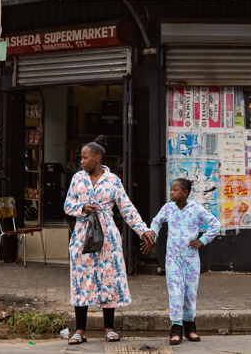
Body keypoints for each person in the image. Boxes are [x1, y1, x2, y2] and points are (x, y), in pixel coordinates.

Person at [64, 138, 155, 345]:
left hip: (107, 237)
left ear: (97, 158)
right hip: (82, 237)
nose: (82, 161)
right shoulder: (77, 179)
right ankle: (80, 330)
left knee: (109, 279)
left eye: (85, 157)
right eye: (81, 158)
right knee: (82, 280)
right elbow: (67, 205)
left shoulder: (113, 180)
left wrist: (143, 230)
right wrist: (82, 208)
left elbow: (126, 208)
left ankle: (109, 328)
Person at [143, 178, 220, 345]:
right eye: (171, 189)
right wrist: (152, 236)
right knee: (176, 293)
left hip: (191, 260)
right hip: (173, 259)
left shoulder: (197, 210)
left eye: (175, 190)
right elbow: (156, 222)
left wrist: (203, 240)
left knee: (190, 293)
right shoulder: (168, 208)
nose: (171, 192)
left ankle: (190, 327)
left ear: (185, 193)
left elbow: (215, 224)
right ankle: (176, 329)